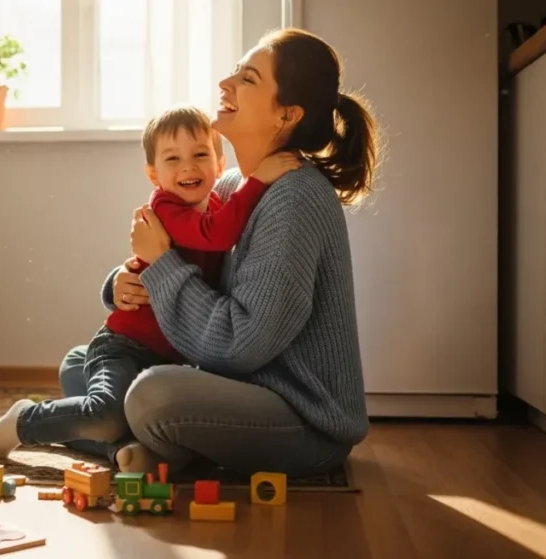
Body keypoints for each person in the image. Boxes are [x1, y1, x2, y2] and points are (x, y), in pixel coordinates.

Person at [64, 27, 380, 477]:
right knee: (82, 362)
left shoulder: (295, 199)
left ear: (285, 115)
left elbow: (240, 345)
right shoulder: (232, 186)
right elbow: (184, 259)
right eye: (234, 73)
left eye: (247, 79)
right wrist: (122, 282)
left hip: (303, 423)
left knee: (151, 395)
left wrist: (161, 265)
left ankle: (121, 436)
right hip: (241, 388)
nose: (225, 84)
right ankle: (131, 447)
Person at [0, 105, 299, 464]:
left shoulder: (219, 203)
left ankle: (120, 451)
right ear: (153, 174)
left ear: (220, 163)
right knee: (105, 415)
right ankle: (24, 420)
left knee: (126, 422)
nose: (188, 167)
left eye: (200, 155)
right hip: (124, 347)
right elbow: (219, 235)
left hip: (166, 357)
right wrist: (259, 180)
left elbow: (225, 228)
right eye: (173, 159)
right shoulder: (165, 208)